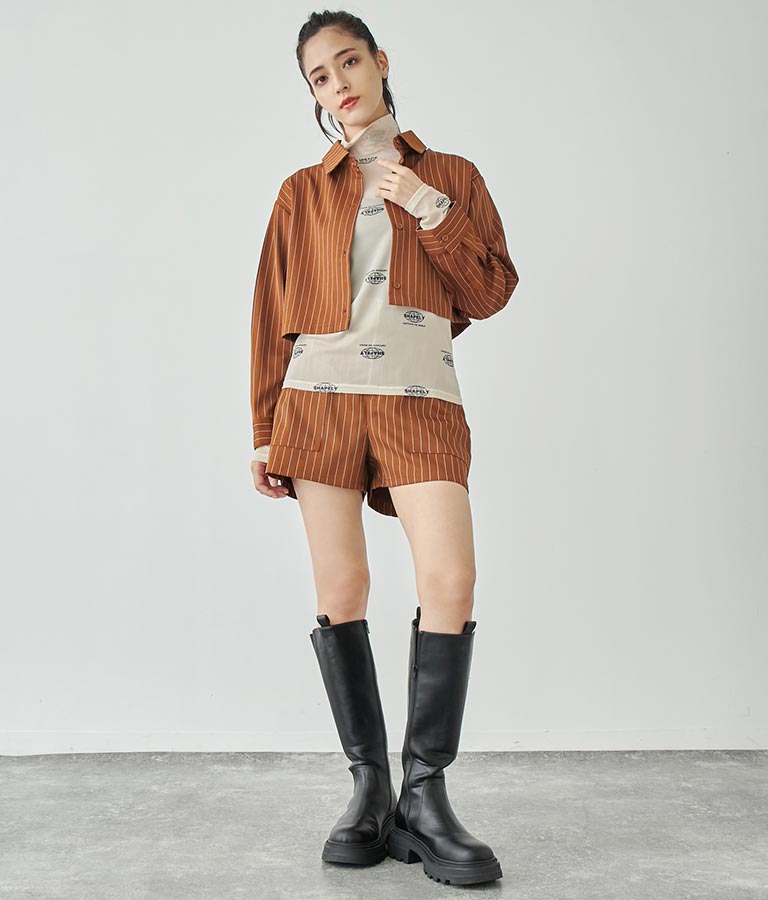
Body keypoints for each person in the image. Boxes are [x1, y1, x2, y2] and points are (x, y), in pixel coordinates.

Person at [249, 10, 519, 887]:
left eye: (348, 62)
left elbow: (491, 288)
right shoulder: (301, 191)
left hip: (419, 400)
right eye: (319, 77)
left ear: (380, 62)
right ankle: (370, 790)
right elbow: (270, 312)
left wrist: (426, 205)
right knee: (342, 590)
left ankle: (425, 798)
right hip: (318, 403)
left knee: (451, 581)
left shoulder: (452, 176)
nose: (338, 84)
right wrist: (264, 429)